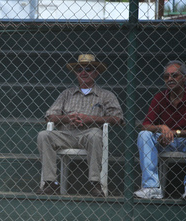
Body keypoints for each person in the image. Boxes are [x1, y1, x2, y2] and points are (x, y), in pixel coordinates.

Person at [36, 54, 124, 197]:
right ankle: (50, 182)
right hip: (66, 135)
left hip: (89, 134)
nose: (83, 72)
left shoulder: (105, 95)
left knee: (95, 134)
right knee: (43, 135)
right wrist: (67, 118)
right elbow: (50, 116)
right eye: (79, 69)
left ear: (96, 72)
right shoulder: (66, 94)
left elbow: (118, 118)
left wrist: (91, 119)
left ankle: (95, 183)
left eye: (88, 69)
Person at [134, 60, 186, 200]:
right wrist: (161, 128)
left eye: (174, 75)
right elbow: (145, 125)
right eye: (166, 77)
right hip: (165, 141)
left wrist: (175, 132)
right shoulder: (159, 97)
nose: (170, 79)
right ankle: (152, 187)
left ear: (184, 77)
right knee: (144, 135)